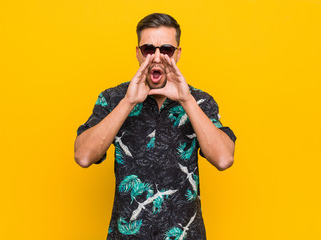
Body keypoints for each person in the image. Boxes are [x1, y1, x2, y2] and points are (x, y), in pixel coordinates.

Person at [74, 13, 236, 240]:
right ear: (138, 53)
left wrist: (186, 100)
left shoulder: (199, 101)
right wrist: (128, 102)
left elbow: (224, 159)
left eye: (166, 50)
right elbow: (83, 156)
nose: (157, 57)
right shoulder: (114, 98)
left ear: (177, 54)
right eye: (149, 49)